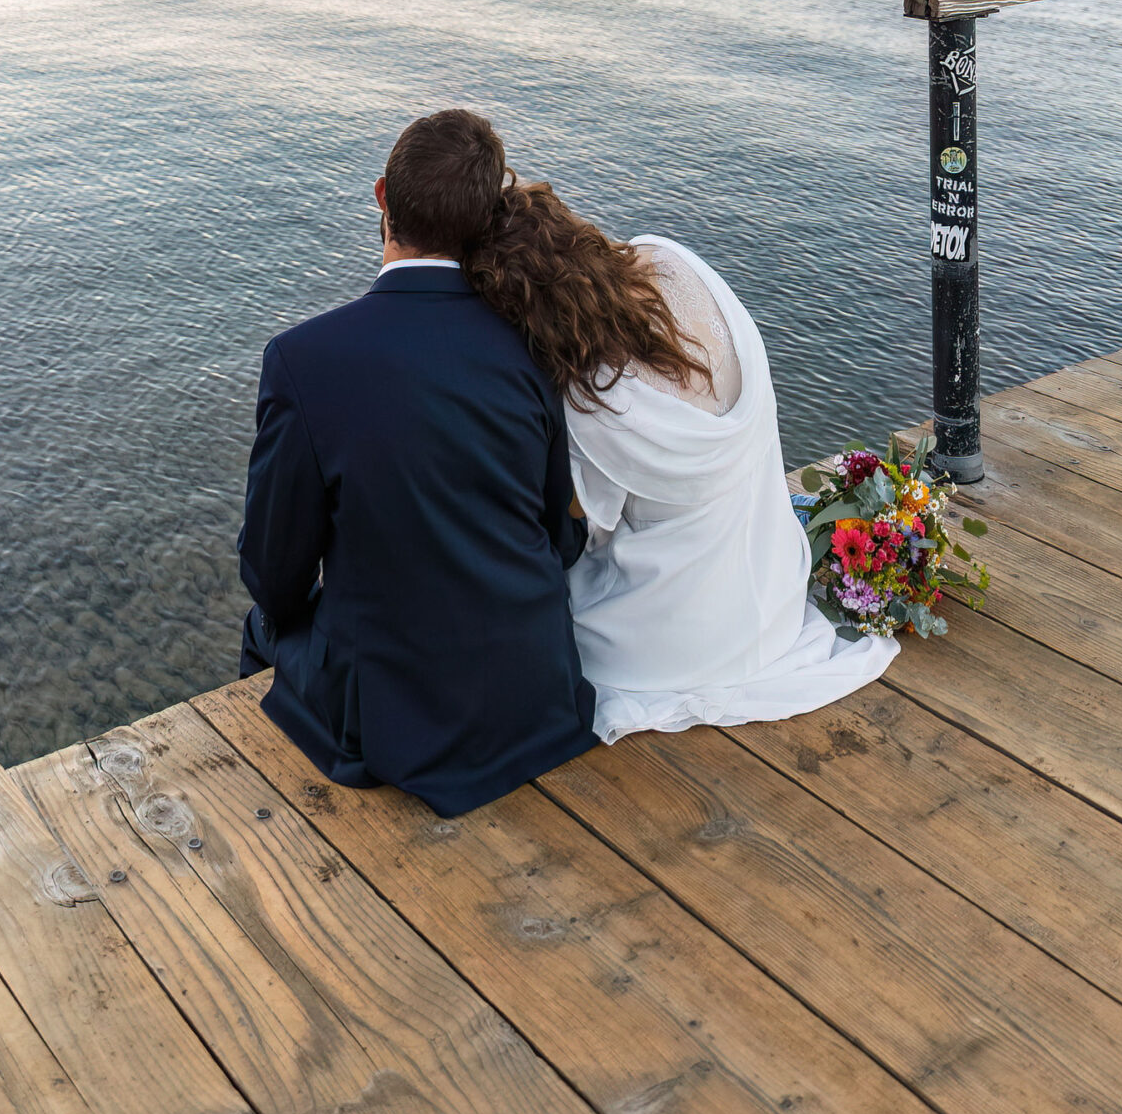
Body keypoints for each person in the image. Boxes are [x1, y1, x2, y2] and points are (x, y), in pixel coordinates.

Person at [237, 109, 598, 816]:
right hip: (538, 693)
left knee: (266, 624)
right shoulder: (529, 345)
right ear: (483, 220)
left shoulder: (302, 359)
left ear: (380, 198)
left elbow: (274, 569)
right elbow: (558, 536)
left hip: (396, 724)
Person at [465, 184, 898, 740]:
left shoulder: (593, 398)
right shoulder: (673, 261)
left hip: (668, 644)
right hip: (771, 591)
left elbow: (588, 526)